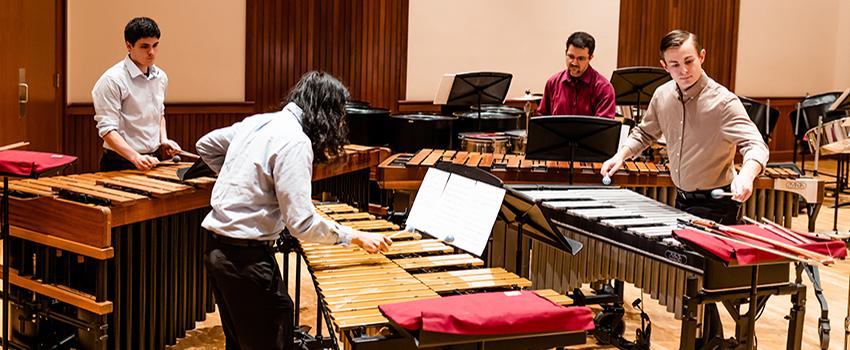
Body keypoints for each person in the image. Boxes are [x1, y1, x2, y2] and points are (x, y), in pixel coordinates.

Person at [196, 71, 393, 349]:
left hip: (216, 252)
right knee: (274, 329)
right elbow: (300, 223)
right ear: (325, 112)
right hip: (246, 259)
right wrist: (354, 236)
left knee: (240, 341)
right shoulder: (295, 141)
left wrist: (244, 181)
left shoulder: (257, 122)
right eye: (338, 116)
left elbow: (205, 145)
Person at [601, 29, 768, 224]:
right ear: (664, 66)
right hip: (681, 198)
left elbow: (756, 145)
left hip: (718, 203)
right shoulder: (662, 96)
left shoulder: (723, 102)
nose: (684, 71)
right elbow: (644, 133)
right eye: (675, 65)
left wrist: (747, 175)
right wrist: (620, 156)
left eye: (689, 61)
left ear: (702, 56)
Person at [92, 17, 181, 171]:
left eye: (155, 45)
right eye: (144, 46)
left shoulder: (161, 77)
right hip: (120, 161)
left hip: (153, 158)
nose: (151, 52)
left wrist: (163, 139)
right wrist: (135, 157)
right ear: (128, 45)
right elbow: (107, 130)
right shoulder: (112, 80)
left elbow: (159, 114)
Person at [537, 31, 617, 118]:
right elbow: (542, 119)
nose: (574, 63)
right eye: (571, 56)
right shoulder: (552, 83)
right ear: (565, 53)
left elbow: (604, 128)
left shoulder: (604, 88)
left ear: (590, 58)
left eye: (580, 58)